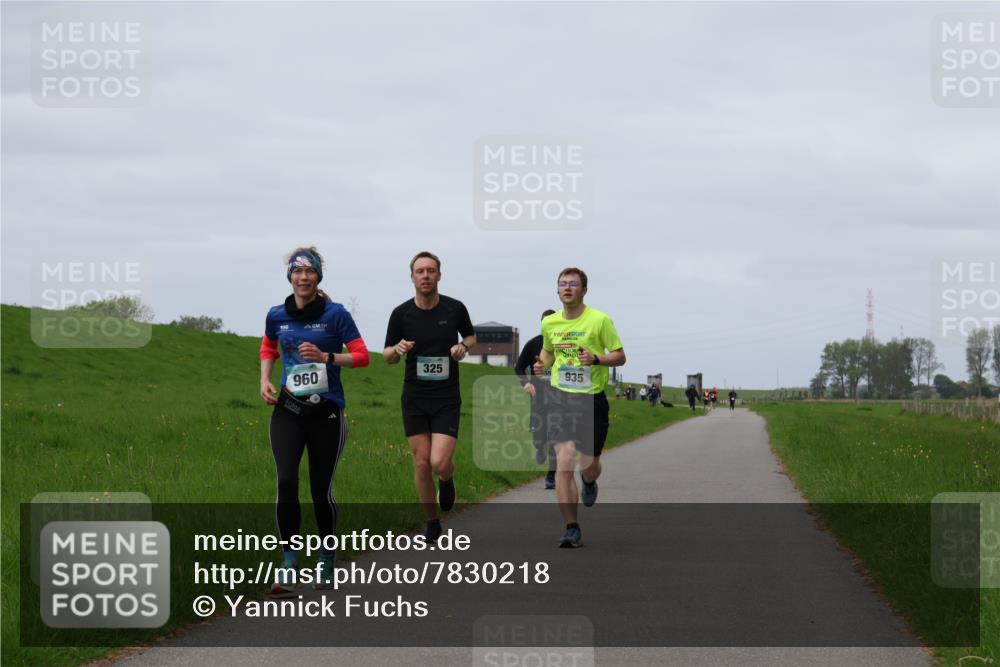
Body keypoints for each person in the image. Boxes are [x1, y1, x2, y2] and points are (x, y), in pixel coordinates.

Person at [259, 246, 370, 596]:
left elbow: (363, 357)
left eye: (309, 272)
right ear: (290, 276)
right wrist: (264, 378)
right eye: (297, 272)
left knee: (320, 491)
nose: (303, 277)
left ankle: (326, 555)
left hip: (326, 412)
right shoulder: (277, 314)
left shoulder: (335, 315)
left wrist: (327, 357)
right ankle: (289, 559)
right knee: (287, 480)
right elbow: (268, 348)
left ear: (318, 277)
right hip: (289, 410)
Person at [384, 251, 476, 544]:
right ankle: (432, 522)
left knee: (438, 462)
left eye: (431, 270)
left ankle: (447, 479)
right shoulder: (401, 314)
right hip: (414, 397)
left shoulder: (454, 308)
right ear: (412, 277)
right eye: (420, 271)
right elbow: (387, 356)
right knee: (421, 463)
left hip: (447, 396)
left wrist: (463, 347)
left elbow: (471, 336)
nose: (425, 275)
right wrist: (397, 350)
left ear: (439, 275)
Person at [533, 267, 625, 548]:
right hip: (561, 398)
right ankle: (571, 527)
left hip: (592, 399)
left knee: (590, 465)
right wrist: (542, 363)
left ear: (584, 290)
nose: (568, 288)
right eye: (563, 284)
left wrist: (596, 359)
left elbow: (620, 356)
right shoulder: (550, 323)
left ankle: (589, 481)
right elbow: (549, 349)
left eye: (574, 284)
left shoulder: (600, 320)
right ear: (557, 290)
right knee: (564, 459)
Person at [515, 309, 559, 489]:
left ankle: (551, 475)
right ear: (542, 325)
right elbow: (519, 368)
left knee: (556, 436)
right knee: (539, 435)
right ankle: (539, 448)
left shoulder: (565, 344)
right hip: (538, 396)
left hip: (560, 397)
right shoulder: (533, 344)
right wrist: (525, 383)